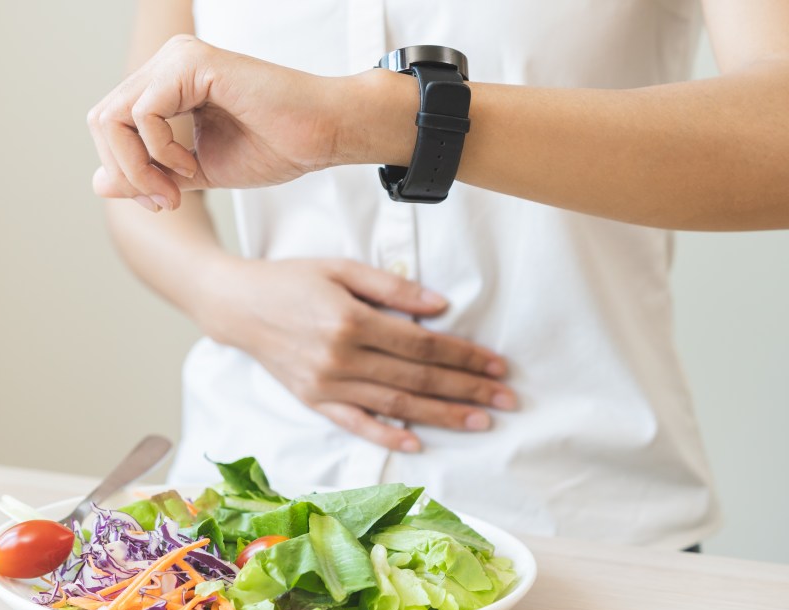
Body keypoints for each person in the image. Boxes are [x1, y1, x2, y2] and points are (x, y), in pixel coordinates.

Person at [88, 0, 789, 549]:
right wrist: (223, 294)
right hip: (250, 504)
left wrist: (377, 121)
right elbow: (140, 163)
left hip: (573, 511)